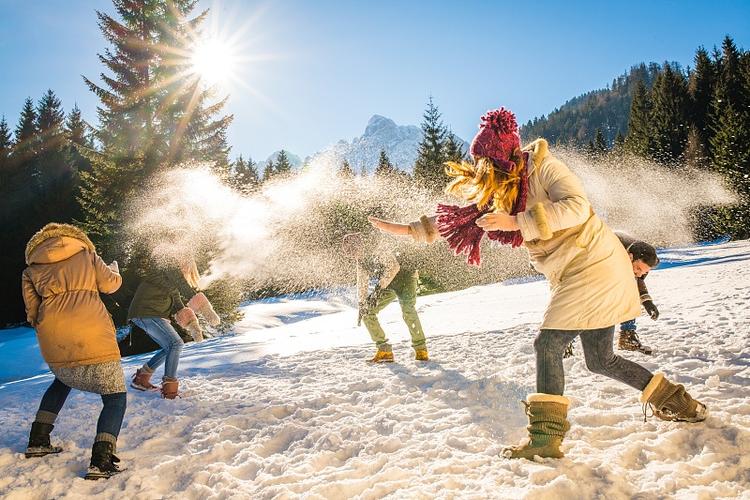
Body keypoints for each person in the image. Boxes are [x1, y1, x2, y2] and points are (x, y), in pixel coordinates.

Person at [369, 107, 707, 460]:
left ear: (510, 155)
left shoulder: (545, 167)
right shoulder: (502, 187)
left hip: (592, 263)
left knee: (547, 345)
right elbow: (465, 219)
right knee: (601, 361)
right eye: (483, 164)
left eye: (492, 163)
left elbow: (577, 207)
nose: (488, 172)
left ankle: (545, 440)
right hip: (575, 272)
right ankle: (678, 403)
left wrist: (517, 222)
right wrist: (409, 230)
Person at [21, 223, 126, 480]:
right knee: (115, 397)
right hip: (91, 334)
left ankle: (38, 439)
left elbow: (32, 313)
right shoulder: (87, 255)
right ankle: (101, 461)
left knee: (62, 379)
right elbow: (110, 285)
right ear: (73, 237)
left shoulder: (31, 270)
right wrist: (114, 269)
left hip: (54, 339)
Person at [127, 254, 219, 398]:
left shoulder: (171, 282)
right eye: (185, 267)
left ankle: (141, 379)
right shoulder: (166, 265)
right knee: (176, 344)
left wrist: (193, 325)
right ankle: (170, 390)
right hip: (146, 312)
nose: (184, 271)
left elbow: (179, 306)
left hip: (149, 314)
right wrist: (205, 308)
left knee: (170, 347)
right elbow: (183, 286)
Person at [563, 232, 661, 357]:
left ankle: (627, 337)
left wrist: (647, 302)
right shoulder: (607, 252)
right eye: (638, 269)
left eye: (644, 271)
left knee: (628, 293)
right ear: (630, 257)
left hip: (618, 261)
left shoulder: (643, 260)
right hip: (584, 267)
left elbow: (637, 281)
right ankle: (565, 341)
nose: (639, 273)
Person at [342, 232, 430, 363]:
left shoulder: (377, 247)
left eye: (354, 251)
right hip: (388, 283)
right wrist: (362, 304)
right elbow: (362, 281)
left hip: (406, 277)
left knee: (407, 310)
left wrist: (378, 290)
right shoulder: (360, 260)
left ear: (360, 245)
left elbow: (394, 267)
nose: (354, 255)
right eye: (351, 254)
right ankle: (384, 350)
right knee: (367, 312)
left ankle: (421, 349)